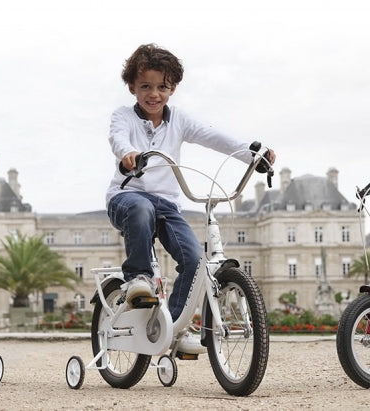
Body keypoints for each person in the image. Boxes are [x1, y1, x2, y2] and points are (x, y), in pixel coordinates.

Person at [106, 44, 275, 353]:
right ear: (132, 87)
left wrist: (252, 153)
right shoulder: (123, 117)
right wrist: (128, 153)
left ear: (172, 88)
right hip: (127, 198)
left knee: (196, 261)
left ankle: (171, 328)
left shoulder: (179, 120)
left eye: (162, 87)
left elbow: (213, 136)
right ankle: (138, 278)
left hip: (167, 205)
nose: (154, 94)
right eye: (145, 86)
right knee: (141, 208)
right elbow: (118, 137)